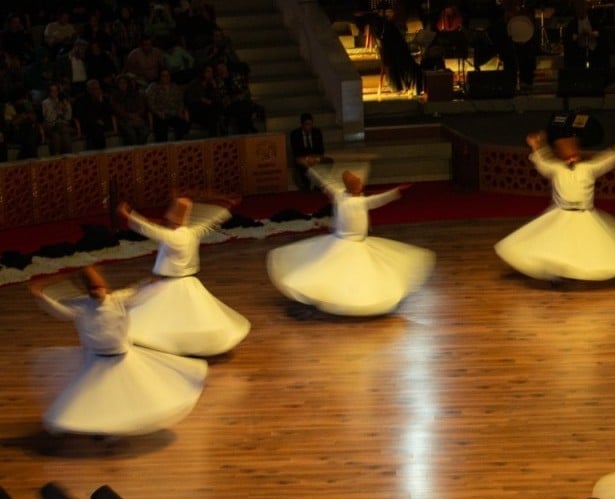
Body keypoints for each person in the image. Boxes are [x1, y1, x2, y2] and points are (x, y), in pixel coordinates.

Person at [29, 266, 207, 436]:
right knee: (95, 395)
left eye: (99, 287)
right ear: (87, 290)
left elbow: (139, 293)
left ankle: (128, 419)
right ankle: (100, 424)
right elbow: (58, 309)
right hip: (95, 361)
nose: (97, 292)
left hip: (121, 358)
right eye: (92, 289)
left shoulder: (119, 299)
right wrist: (40, 296)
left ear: (105, 287)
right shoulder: (80, 305)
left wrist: (152, 284)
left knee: (132, 392)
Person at [267, 168, 432, 316]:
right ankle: (349, 299)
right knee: (350, 275)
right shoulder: (358, 201)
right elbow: (379, 199)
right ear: (354, 187)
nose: (361, 186)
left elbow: (328, 185)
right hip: (350, 244)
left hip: (344, 242)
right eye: (359, 184)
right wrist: (396, 191)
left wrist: (314, 171)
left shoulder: (341, 196)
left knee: (339, 273)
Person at [495, 133, 615, 283]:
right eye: (568, 157)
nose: (572, 159)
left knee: (585, 245)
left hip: (584, 214)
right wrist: (536, 146)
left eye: (574, 156)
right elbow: (542, 162)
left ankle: (582, 271)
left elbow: (602, 162)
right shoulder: (556, 169)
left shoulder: (587, 168)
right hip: (562, 215)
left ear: (578, 155)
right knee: (558, 245)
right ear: (562, 158)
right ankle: (556, 273)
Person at [119, 196, 250, 357]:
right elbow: (208, 224)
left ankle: (174, 344)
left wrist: (128, 215)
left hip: (173, 283)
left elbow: (149, 229)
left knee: (160, 316)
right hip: (187, 281)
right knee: (186, 317)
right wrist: (224, 209)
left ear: (174, 220)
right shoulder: (191, 232)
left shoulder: (174, 237)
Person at [288, 113, 330, 191]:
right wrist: (307, 158)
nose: (308, 127)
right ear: (302, 125)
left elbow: (321, 149)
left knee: (328, 161)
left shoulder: (317, 132)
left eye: (310, 124)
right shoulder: (295, 134)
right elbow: (296, 152)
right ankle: (307, 182)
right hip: (302, 158)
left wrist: (315, 158)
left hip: (315, 157)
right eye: (306, 124)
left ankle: (318, 183)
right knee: (302, 164)